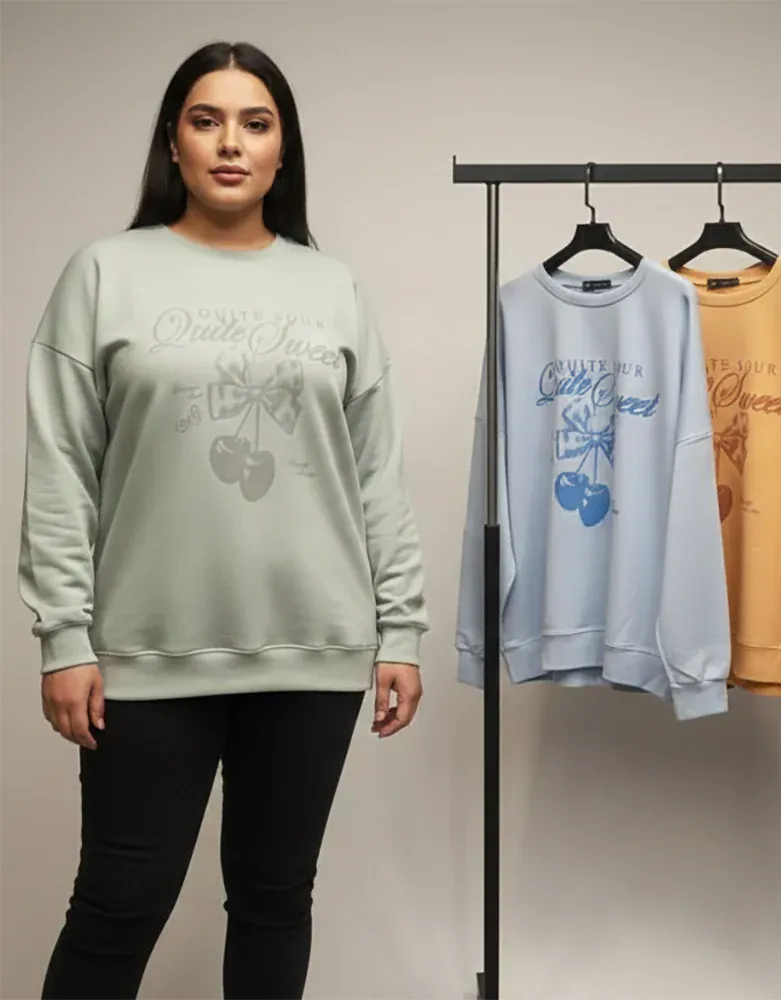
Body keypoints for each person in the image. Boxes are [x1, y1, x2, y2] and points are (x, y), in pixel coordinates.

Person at [17, 40, 429, 1000]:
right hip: (145, 653)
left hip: (315, 650)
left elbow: (377, 473)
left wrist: (400, 627)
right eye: (207, 121)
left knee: (277, 901)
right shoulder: (104, 274)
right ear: (174, 142)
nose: (231, 143)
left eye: (256, 123)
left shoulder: (333, 287)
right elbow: (61, 469)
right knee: (117, 908)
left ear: (284, 149)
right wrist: (64, 637)